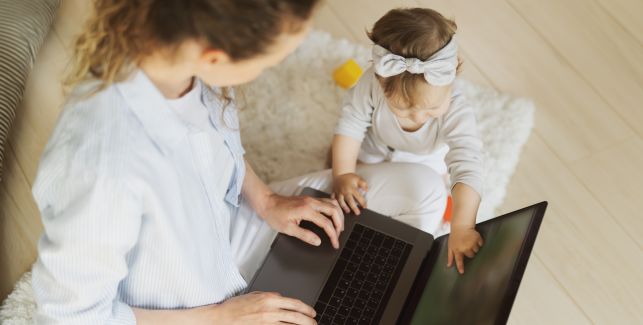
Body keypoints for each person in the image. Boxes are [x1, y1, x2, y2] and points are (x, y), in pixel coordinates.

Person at [31, 1, 448, 324]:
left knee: (424, 187)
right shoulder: (103, 167)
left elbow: (221, 150)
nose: (272, 68)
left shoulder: (178, 64)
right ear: (215, 56)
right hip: (187, 309)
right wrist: (221, 317)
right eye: (268, 62)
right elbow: (70, 315)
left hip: (232, 230)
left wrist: (267, 201)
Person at [330, 8, 485, 274]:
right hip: (375, 144)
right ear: (380, 81)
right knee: (344, 180)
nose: (418, 116)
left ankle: (453, 205)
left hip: (424, 157)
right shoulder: (370, 83)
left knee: (437, 187)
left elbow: (468, 159)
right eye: (402, 110)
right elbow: (351, 123)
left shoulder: (457, 108)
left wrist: (463, 226)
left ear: (451, 79)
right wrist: (342, 172)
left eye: (432, 109)